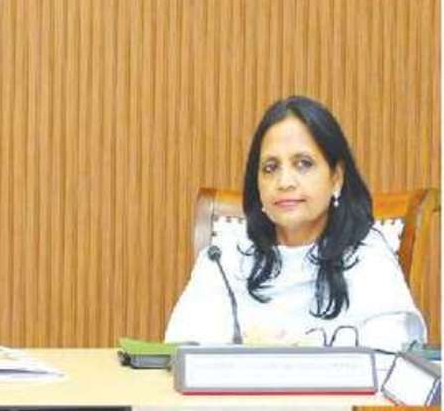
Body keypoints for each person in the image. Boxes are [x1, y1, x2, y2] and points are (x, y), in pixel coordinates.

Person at [165, 95, 423, 351]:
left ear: (336, 178)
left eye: (303, 164)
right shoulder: (225, 259)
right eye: (270, 168)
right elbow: (184, 354)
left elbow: (391, 359)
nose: (284, 182)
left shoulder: (368, 259)